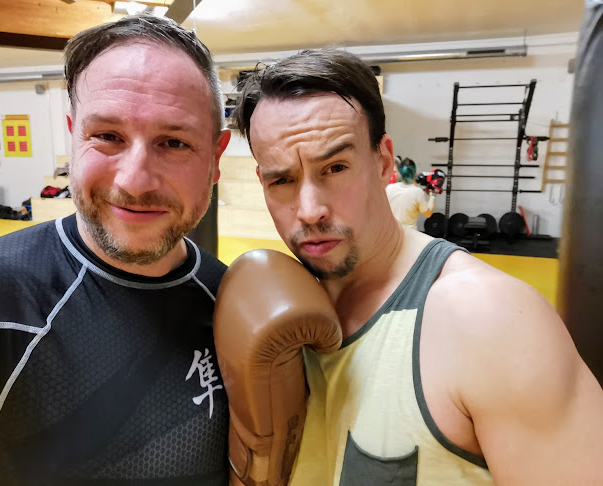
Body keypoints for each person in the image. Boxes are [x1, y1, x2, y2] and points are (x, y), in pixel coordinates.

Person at [233, 49, 603, 485]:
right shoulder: (278, 307)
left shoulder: (490, 320)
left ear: (384, 162)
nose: (310, 210)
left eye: (335, 167)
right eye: (282, 180)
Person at [0, 14, 231, 485]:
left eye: (174, 142)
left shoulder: (232, 305)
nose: (135, 181)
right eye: (107, 136)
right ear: (73, 136)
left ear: (215, 157)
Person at [386, 156, 436, 231]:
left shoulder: (388, 188)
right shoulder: (418, 192)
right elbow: (428, 214)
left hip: (391, 233)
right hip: (410, 235)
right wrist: (433, 194)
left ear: (399, 173)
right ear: (415, 173)